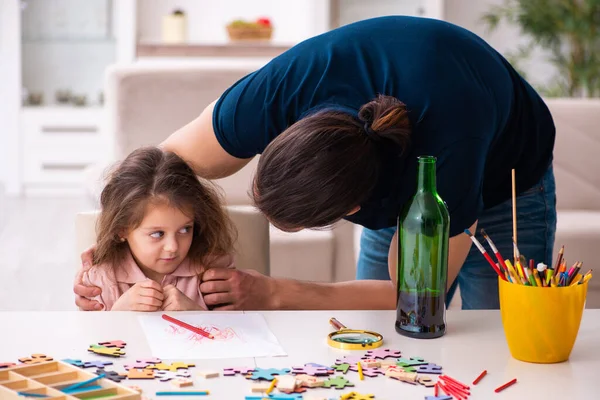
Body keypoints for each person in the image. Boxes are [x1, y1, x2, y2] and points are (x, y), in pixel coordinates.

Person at [75, 16, 555, 311]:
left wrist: (275, 293)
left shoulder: (444, 158)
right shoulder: (276, 95)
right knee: (381, 346)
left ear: (355, 205)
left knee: (497, 338)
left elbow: (410, 297)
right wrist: (110, 260)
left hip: (507, 178)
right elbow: (153, 175)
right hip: (414, 125)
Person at [80, 147, 235, 311]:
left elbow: (233, 333)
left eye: (185, 230)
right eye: (157, 234)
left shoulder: (213, 269)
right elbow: (93, 336)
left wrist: (196, 313)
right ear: (121, 230)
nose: (173, 247)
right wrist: (119, 312)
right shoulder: (101, 279)